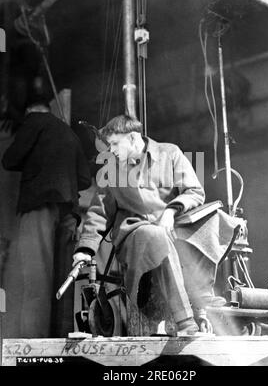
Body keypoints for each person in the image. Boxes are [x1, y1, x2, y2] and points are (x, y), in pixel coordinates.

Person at [73, 115, 239, 335]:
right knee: (155, 236)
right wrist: (85, 249)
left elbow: (195, 192)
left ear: (132, 138)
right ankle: (186, 322)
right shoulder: (111, 169)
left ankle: (200, 295)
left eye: (114, 144)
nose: (110, 150)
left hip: (172, 225)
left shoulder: (170, 153)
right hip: (135, 232)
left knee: (217, 222)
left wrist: (171, 211)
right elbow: (99, 211)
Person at [1, 94, 91, 338]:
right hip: (68, 212)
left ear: (32, 110)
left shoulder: (34, 121)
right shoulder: (70, 133)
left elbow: (9, 159)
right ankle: (59, 340)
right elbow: (85, 179)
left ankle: (33, 344)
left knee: (35, 278)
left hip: (40, 204)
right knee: (62, 282)